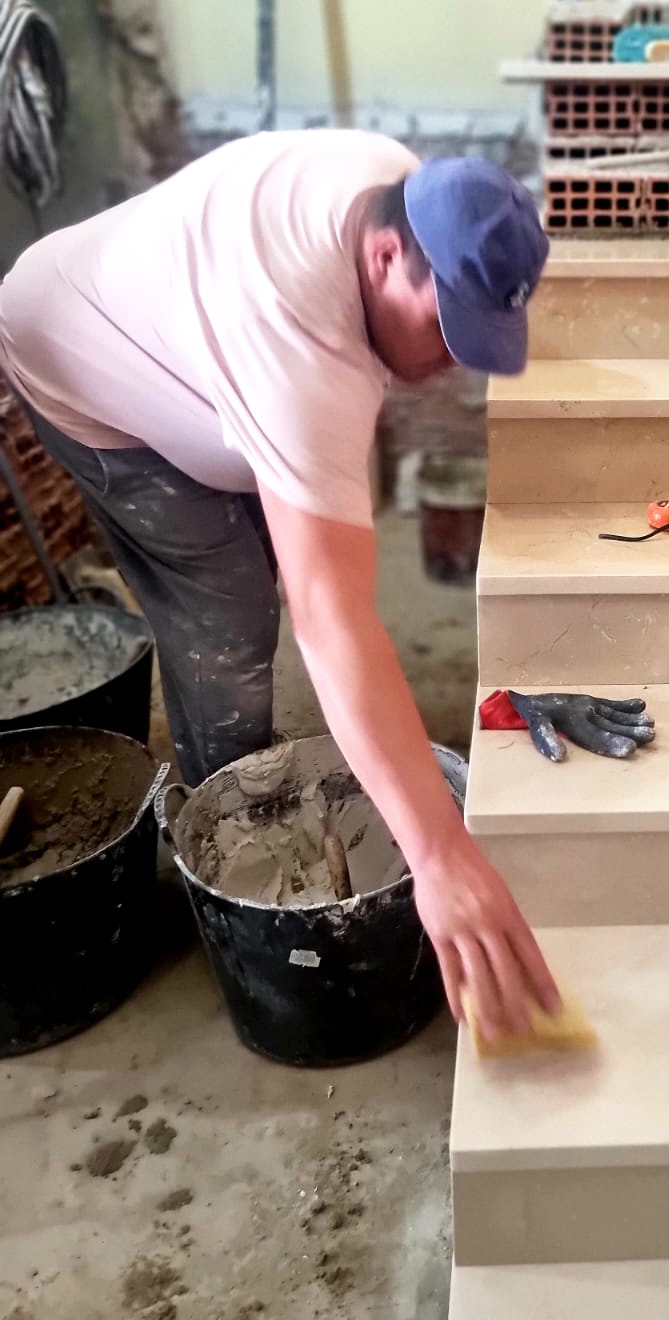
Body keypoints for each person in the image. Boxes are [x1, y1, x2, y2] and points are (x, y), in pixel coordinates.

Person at [0, 129, 559, 1043]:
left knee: (286, 548)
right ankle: (238, 845)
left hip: (187, 337)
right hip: (81, 361)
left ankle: (255, 806)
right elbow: (333, 623)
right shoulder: (299, 343)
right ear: (386, 258)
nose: (453, 359)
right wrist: (440, 854)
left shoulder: (403, 189)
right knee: (228, 609)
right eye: (443, 327)